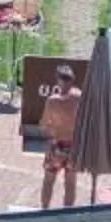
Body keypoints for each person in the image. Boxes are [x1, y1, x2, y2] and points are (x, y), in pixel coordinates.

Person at [38, 75, 83, 210]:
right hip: (73, 146)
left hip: (57, 146)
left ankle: (44, 209)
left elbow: (44, 124)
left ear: (59, 82)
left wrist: (51, 129)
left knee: (49, 180)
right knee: (70, 182)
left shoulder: (52, 101)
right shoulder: (79, 98)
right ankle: (67, 214)